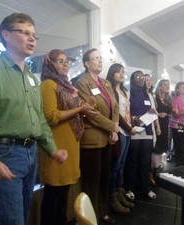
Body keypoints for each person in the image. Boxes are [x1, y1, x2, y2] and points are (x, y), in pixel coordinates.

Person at [0, 13, 68, 225]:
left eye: (34, 35)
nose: (32, 39)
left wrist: (52, 148)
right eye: (25, 32)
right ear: (6, 35)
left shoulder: (29, 76)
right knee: (11, 221)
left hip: (30, 155)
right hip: (3, 153)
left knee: (21, 217)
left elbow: (38, 118)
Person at [38, 49, 96, 225]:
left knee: (63, 191)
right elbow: (52, 116)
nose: (65, 64)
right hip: (56, 145)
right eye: (60, 61)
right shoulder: (48, 84)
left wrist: (86, 107)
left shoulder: (67, 86)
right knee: (53, 192)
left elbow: (74, 113)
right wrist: (80, 109)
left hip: (70, 145)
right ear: (50, 64)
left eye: (66, 61)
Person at [75, 48, 119, 224]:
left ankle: (103, 212)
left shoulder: (105, 83)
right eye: (96, 59)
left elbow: (114, 105)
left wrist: (113, 129)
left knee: (104, 178)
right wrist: (112, 126)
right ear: (86, 63)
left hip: (108, 137)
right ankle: (89, 218)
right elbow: (90, 112)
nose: (100, 61)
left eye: (101, 58)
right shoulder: (82, 83)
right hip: (92, 140)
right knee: (91, 182)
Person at [106, 63, 136, 214]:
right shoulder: (111, 89)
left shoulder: (123, 90)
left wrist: (133, 124)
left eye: (123, 71)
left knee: (122, 164)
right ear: (112, 73)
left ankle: (120, 192)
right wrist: (129, 128)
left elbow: (126, 111)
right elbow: (116, 113)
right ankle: (112, 197)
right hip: (120, 131)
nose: (121, 74)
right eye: (118, 72)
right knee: (115, 166)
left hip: (127, 130)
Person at [124, 71, 157, 200]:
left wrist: (154, 130)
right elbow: (125, 115)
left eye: (143, 77)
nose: (141, 79)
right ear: (132, 79)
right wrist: (137, 118)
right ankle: (130, 188)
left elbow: (153, 114)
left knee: (145, 162)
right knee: (132, 161)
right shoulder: (127, 94)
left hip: (148, 132)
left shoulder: (148, 95)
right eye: (138, 77)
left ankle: (146, 188)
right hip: (134, 132)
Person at [143, 74, 161, 186]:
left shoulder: (151, 94)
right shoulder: (141, 94)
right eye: (146, 80)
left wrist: (157, 126)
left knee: (151, 152)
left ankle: (150, 175)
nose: (148, 82)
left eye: (150, 80)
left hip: (151, 127)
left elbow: (154, 112)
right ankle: (146, 176)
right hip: (143, 126)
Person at [153, 79, 172, 177]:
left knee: (163, 146)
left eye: (168, 85)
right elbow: (151, 110)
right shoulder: (155, 97)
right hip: (157, 123)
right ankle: (155, 169)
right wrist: (158, 114)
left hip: (166, 124)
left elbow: (170, 111)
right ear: (159, 86)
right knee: (157, 146)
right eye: (165, 85)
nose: (167, 87)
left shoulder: (168, 99)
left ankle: (159, 166)